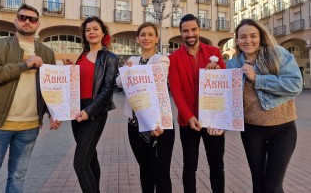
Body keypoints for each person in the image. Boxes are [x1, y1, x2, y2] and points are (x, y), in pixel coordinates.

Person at [0, 3, 61, 192]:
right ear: (16, 20)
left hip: (29, 127)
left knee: (18, 177)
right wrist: (25, 65)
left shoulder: (47, 52)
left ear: (38, 24)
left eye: (32, 19)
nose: (27, 21)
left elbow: (50, 88)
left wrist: (54, 112)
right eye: (22, 17)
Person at [226, 18, 303, 193]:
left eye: (253, 36)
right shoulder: (232, 64)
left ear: (260, 37)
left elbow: (295, 85)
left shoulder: (277, 54)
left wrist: (257, 78)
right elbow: (226, 96)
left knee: (273, 186)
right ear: (237, 40)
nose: (248, 41)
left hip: (283, 130)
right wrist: (215, 73)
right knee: (258, 185)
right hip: (252, 130)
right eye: (242, 37)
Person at [168, 14, 226, 193]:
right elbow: (176, 92)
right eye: (185, 31)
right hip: (189, 121)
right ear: (181, 33)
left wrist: (218, 71)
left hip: (213, 119)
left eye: (193, 29)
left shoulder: (213, 52)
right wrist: (189, 116)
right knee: (189, 165)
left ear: (199, 30)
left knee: (216, 164)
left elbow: (225, 82)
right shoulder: (174, 58)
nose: (190, 34)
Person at [116, 22, 175, 193]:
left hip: (158, 124)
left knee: (161, 173)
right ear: (137, 39)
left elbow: (158, 77)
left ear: (157, 39)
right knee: (145, 169)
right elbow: (119, 82)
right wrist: (127, 71)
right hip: (135, 125)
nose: (146, 38)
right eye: (143, 35)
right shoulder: (132, 61)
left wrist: (132, 73)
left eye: (150, 34)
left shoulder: (161, 59)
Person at [63, 16, 119, 193]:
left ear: (103, 33)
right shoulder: (82, 56)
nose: (92, 32)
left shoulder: (109, 57)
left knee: (80, 164)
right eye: (88, 30)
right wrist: (71, 69)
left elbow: (107, 89)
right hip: (76, 110)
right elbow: (79, 82)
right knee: (90, 158)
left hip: (95, 112)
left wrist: (89, 111)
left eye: (95, 29)